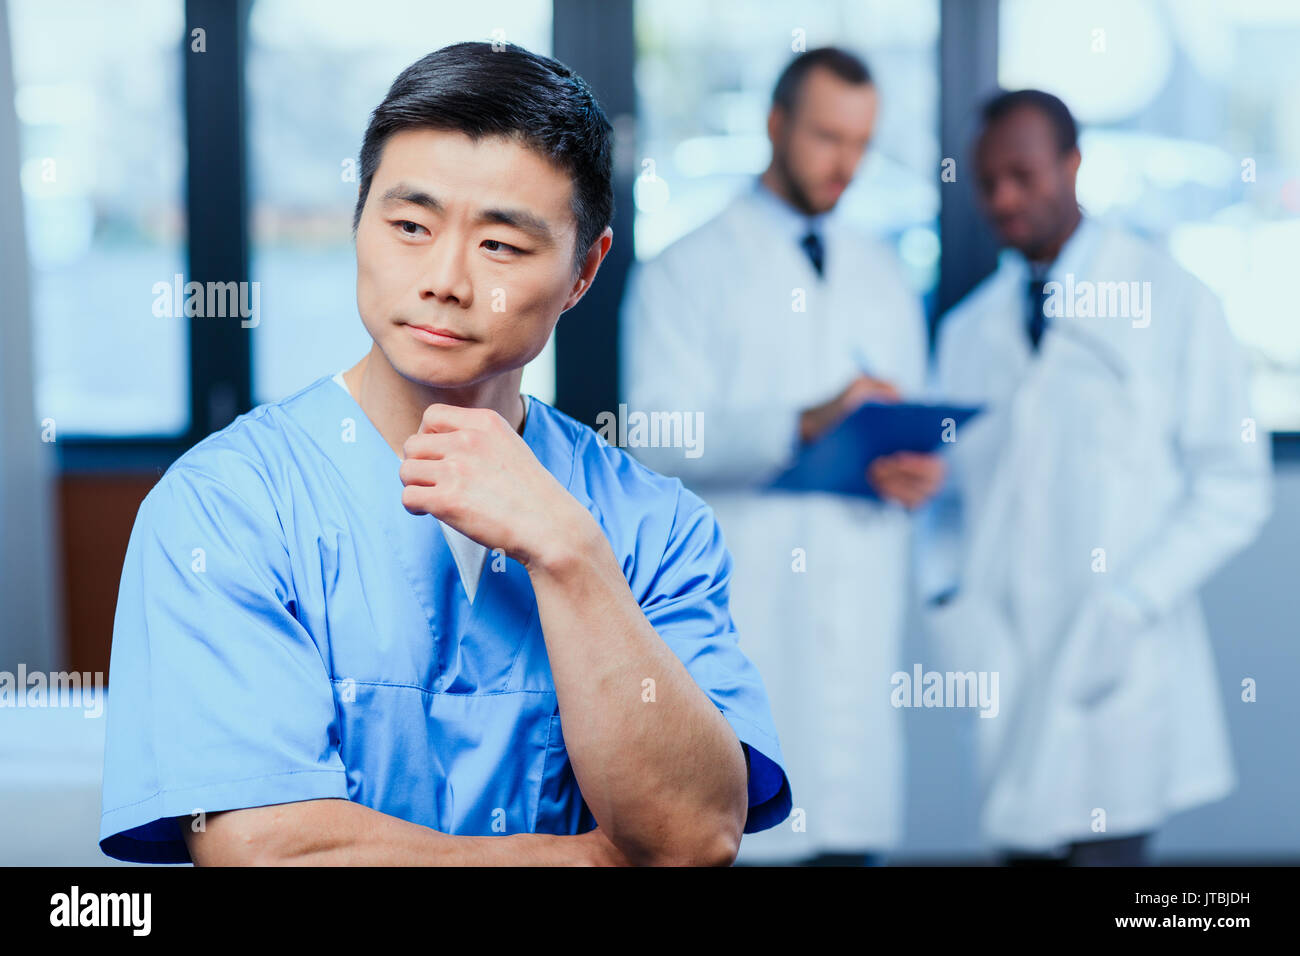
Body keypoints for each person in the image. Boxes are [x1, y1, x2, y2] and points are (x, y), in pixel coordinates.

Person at [98, 41, 791, 866]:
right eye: (410, 227)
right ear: (359, 219)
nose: (445, 280)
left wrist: (570, 554)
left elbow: (694, 835)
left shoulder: (656, 527)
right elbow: (267, 852)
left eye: (502, 245)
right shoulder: (225, 508)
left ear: (583, 272)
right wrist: (594, 859)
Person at [925, 89, 1272, 865]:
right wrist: (947, 594)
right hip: (1004, 659)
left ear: (1073, 165)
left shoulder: (1172, 301)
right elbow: (944, 497)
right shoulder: (967, 331)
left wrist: (1129, 602)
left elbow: (1232, 484)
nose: (1004, 198)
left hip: (1118, 658)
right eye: (987, 182)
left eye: (1023, 174)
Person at [621, 48, 944, 866]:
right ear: (774, 125)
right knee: (749, 831)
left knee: (847, 832)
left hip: (857, 606)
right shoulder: (684, 269)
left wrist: (915, 470)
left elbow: (910, 423)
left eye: (862, 143)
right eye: (827, 137)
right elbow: (654, 434)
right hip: (749, 607)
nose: (847, 163)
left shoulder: (885, 273)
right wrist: (803, 421)